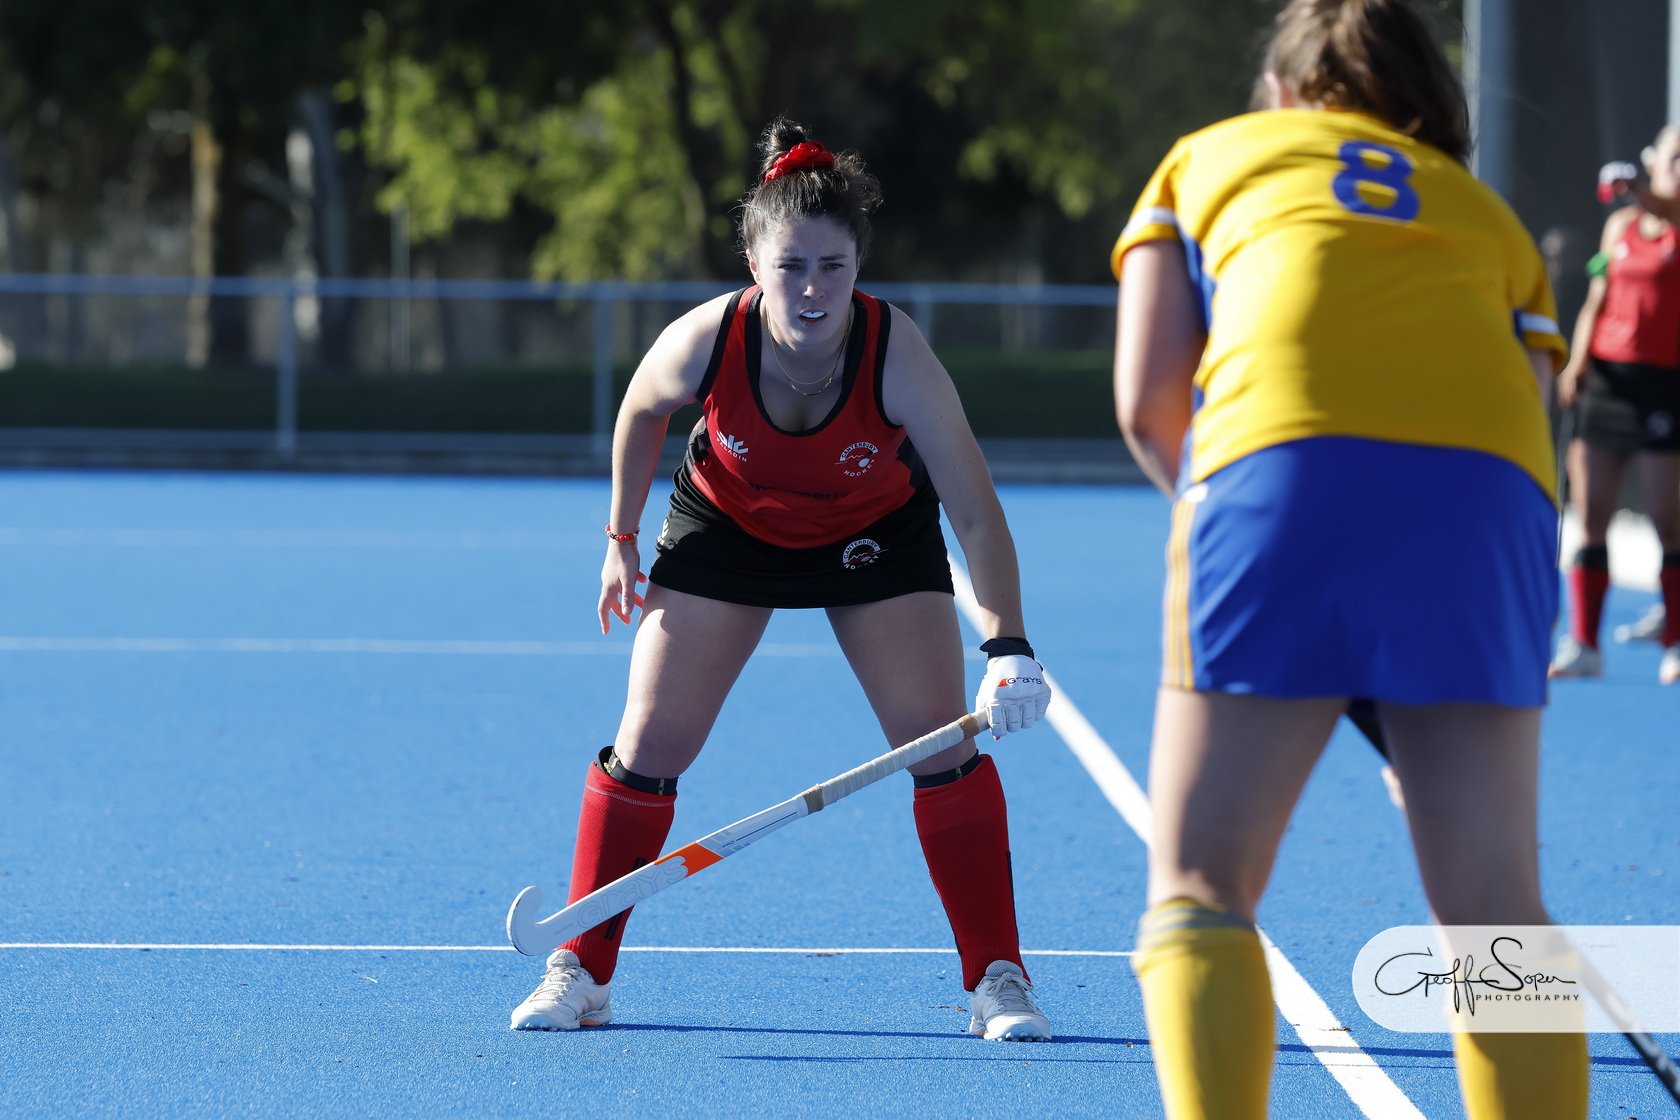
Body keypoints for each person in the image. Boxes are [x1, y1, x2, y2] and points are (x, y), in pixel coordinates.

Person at [1111, 1, 1589, 1116]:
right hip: (1491, 503)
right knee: (1497, 911)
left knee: (1201, 886)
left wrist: (1267, 538)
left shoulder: (1205, 159)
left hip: (1278, 466)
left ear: (1282, 92)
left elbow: (1147, 402)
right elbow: (1526, 415)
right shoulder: (1487, 215)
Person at [509, 118, 1054, 1042]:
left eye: (832, 267)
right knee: (648, 742)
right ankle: (582, 970)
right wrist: (620, 539)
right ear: (754, 263)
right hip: (726, 529)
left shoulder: (897, 355)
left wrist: (1007, 646)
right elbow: (641, 410)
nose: (811, 289)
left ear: (858, 265)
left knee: (939, 746)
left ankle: (998, 979)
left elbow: (975, 511)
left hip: (873, 539)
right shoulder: (708, 336)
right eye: (791, 265)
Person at [1550, 134, 1680, 685]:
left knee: (1668, 519)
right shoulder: (1621, 226)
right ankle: (1584, 643)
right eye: (1675, 157)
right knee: (1592, 514)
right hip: (1607, 381)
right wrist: (1577, 362)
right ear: (1654, 161)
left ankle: (1675, 639)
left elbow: (1666, 208)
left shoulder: (1670, 220)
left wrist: (1636, 189)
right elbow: (1596, 299)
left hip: (1663, 384)